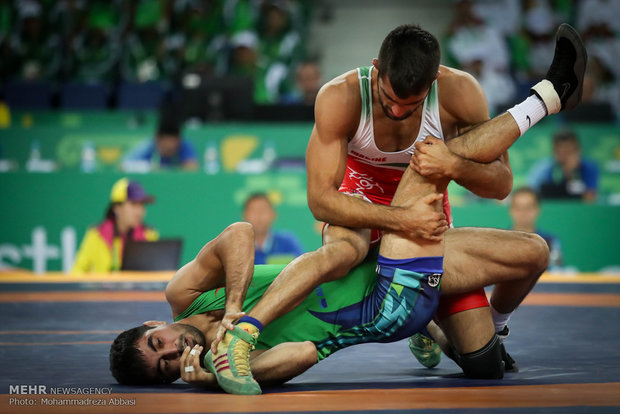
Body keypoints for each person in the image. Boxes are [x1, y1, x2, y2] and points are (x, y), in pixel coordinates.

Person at [206, 22, 585, 394]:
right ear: (376, 70)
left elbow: (500, 184)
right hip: (363, 211)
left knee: (484, 366)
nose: (400, 113)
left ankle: (464, 326)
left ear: (434, 80)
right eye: (389, 101)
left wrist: (451, 166)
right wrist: (403, 218)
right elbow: (320, 201)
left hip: (422, 228)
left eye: (413, 104)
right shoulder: (341, 96)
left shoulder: (459, 91)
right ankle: (242, 335)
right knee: (342, 249)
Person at [109, 154, 546, 392]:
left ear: (154, 324)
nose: (173, 351)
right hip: (390, 302)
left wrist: (236, 309)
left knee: (534, 253)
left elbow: (239, 234)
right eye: (166, 367)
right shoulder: (227, 361)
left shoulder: (184, 293)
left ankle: (541, 101)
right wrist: (215, 374)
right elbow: (300, 354)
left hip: (377, 251)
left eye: (158, 343)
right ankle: (429, 326)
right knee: (483, 369)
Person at [72, 178, 158, 273]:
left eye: (142, 205)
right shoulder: (96, 234)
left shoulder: (149, 235)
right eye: (134, 204)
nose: (140, 211)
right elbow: (76, 273)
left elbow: (156, 273)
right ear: (117, 208)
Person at [529, 129, 599, 202]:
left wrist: (571, 173)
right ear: (554, 152)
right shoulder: (542, 169)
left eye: (569, 152)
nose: (566, 157)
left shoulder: (590, 168)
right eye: (562, 152)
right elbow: (533, 198)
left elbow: (590, 200)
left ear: (578, 150)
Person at [509, 186, 563, 269]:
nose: (523, 213)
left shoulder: (550, 241)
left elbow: (557, 270)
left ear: (537, 210)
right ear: (511, 210)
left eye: (528, 207)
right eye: (518, 208)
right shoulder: (500, 241)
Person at [124, 110, 198, 171]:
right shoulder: (147, 146)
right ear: (157, 139)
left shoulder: (185, 145)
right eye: (168, 149)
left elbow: (192, 167)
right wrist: (150, 167)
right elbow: (123, 166)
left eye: (174, 147)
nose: (171, 148)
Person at [242, 193, 304, 265]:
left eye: (263, 210)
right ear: (244, 215)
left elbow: (302, 267)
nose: (259, 215)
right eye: (254, 210)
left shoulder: (287, 242)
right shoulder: (239, 246)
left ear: (273, 214)